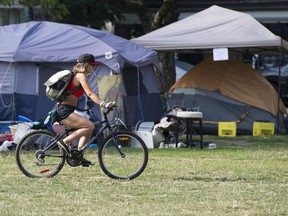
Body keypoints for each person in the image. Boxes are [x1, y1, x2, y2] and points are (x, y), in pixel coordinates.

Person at [54, 53, 114, 166]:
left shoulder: (77, 75)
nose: (94, 67)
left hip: (67, 109)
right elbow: (90, 94)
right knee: (89, 126)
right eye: (92, 65)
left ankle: (78, 155)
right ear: (86, 65)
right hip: (64, 111)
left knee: (88, 128)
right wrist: (103, 103)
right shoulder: (81, 76)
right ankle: (64, 142)